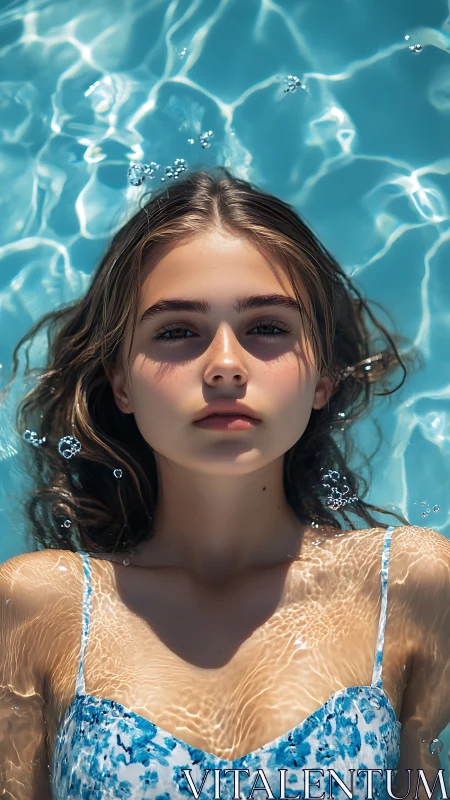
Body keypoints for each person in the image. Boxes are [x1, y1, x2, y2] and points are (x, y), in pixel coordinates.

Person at [0, 166, 449, 800]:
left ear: (323, 375)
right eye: (177, 331)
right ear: (121, 381)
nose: (226, 367)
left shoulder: (409, 587)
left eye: (267, 327)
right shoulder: (42, 608)